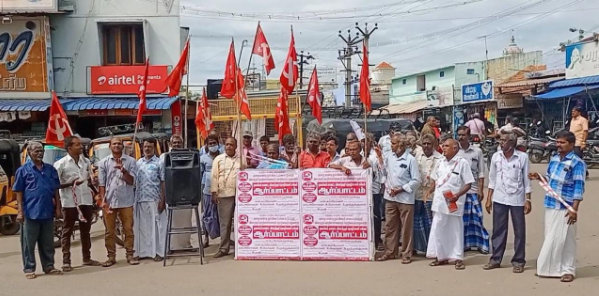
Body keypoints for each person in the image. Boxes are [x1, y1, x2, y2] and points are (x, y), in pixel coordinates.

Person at [530, 131, 586, 283]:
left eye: (562, 142)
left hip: (566, 207)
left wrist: (574, 209)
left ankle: (568, 270)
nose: (558, 145)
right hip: (551, 204)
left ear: (572, 144)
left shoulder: (577, 163)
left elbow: (579, 187)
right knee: (552, 237)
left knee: (567, 239)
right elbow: (549, 178)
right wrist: (538, 177)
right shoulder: (554, 160)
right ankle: (551, 269)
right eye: (557, 142)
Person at [484, 131, 531, 273]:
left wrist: (528, 199)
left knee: (519, 230)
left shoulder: (522, 157)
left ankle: (518, 261)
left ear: (512, 143)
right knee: (498, 229)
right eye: (500, 141)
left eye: (504, 140)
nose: (501, 143)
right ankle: (496, 259)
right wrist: (488, 198)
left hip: (517, 198)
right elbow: (492, 179)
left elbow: (526, 180)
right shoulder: (496, 157)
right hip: (499, 197)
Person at [13, 141, 62, 279]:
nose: (39, 153)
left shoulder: (50, 169)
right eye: (36, 151)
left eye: (41, 151)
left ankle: (49, 266)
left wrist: (58, 208)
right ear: (29, 153)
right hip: (30, 212)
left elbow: (56, 191)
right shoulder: (22, 170)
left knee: (47, 242)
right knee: (28, 243)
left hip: (47, 211)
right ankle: (29, 268)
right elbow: (19, 192)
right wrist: (20, 211)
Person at [425, 139, 474, 270]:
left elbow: (468, 183)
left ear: (455, 149)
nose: (444, 148)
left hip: (453, 202)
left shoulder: (462, 163)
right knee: (438, 228)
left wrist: (457, 195)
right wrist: (429, 191)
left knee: (455, 229)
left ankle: (457, 258)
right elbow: (435, 180)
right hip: (439, 201)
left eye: (447, 146)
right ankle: (440, 256)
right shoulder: (440, 162)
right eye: (443, 146)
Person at [54, 136, 100, 272]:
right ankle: (66, 261)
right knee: (67, 231)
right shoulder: (60, 164)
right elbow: (55, 185)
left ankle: (87, 258)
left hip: (85, 200)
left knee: (86, 231)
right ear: (69, 148)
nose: (81, 147)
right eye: (77, 145)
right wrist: (70, 184)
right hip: (69, 202)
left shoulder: (86, 161)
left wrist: (94, 185)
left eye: (80, 144)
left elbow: (90, 181)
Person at [375, 133, 421, 263]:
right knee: (390, 226)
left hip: (405, 198)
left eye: (394, 144)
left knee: (406, 228)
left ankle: (406, 254)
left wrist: (401, 188)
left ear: (401, 145)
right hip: (390, 197)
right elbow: (384, 172)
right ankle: (390, 251)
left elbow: (416, 180)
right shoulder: (390, 156)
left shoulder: (410, 159)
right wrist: (379, 158)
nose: (391, 146)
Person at [98, 137, 138, 266]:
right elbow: (101, 184)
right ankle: (111, 256)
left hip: (126, 200)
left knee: (128, 229)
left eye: (119, 144)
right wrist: (103, 201)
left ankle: (130, 255)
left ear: (123, 146)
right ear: (110, 146)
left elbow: (132, 182)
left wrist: (123, 170)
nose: (116, 146)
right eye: (114, 144)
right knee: (110, 231)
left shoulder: (131, 161)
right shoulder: (103, 163)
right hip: (109, 201)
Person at [456, 126, 490, 254]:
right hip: (459, 191)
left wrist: (481, 190)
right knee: (461, 220)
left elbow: (481, 172)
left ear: (469, 136)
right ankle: (464, 245)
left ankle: (482, 244)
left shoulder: (477, 151)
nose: (461, 137)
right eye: (459, 135)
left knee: (477, 218)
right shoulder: (455, 151)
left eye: (463, 135)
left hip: (474, 190)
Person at [211, 137, 244, 258]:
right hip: (224, 194)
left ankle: (242, 248)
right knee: (225, 223)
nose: (229, 146)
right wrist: (214, 192)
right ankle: (224, 248)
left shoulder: (241, 159)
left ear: (236, 146)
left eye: (231, 145)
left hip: (241, 195)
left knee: (241, 222)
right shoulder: (218, 159)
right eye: (227, 144)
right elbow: (214, 176)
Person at [134, 139, 166, 261]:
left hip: (155, 199)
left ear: (154, 148)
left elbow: (163, 182)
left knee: (156, 228)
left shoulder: (159, 163)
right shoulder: (138, 163)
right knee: (143, 228)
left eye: (150, 147)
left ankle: (158, 252)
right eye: (145, 147)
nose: (147, 149)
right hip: (141, 199)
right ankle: (143, 253)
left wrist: (163, 200)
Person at [162, 135, 193, 252]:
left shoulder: (189, 155)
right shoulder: (164, 157)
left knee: (185, 220)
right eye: (174, 143)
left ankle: (186, 245)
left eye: (178, 143)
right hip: (171, 194)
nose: (176, 145)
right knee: (171, 221)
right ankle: (171, 247)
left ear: (182, 143)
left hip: (187, 192)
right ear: (170, 144)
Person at [413, 134, 442, 255]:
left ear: (434, 145)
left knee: (429, 222)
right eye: (424, 144)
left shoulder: (440, 159)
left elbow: (438, 178)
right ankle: (418, 247)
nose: (426, 146)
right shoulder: (417, 156)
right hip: (417, 193)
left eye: (428, 144)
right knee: (416, 222)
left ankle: (432, 249)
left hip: (431, 195)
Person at [200, 134, 222, 248]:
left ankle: (224, 239)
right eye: (210, 144)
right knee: (207, 214)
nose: (212, 145)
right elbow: (200, 174)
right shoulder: (203, 158)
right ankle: (206, 237)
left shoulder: (223, 157)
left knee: (221, 215)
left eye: (214, 143)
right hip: (207, 190)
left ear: (218, 144)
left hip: (222, 190)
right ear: (207, 146)